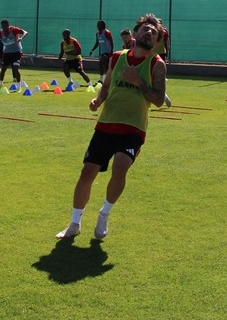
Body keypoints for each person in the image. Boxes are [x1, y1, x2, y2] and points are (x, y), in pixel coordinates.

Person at [56, 13, 168, 241]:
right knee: (87, 173)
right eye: (145, 29)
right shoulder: (117, 58)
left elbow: (158, 99)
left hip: (133, 127)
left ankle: (104, 214)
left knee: (120, 167)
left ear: (157, 42)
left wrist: (139, 82)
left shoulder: (157, 65)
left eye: (154, 32)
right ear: (134, 34)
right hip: (106, 124)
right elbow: (106, 85)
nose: (149, 33)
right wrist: (98, 100)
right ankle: (74, 223)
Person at [0, 19, 28, 86]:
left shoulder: (14, 29)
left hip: (16, 52)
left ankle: (19, 85)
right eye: (2, 26)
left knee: (15, 67)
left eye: (5, 26)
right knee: (3, 68)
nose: (3, 28)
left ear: (8, 25)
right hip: (7, 53)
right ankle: (1, 83)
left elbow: (25, 32)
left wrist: (21, 38)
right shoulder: (0, 33)